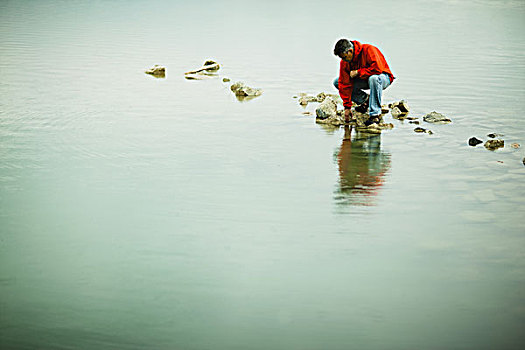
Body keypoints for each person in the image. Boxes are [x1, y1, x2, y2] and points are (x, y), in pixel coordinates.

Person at [333, 39, 395, 124]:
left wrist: (359, 72)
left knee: (373, 79)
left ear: (350, 51)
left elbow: (377, 69)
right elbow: (344, 84)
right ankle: (366, 101)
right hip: (365, 78)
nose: (343, 60)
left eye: (344, 57)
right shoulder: (344, 62)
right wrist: (347, 107)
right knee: (337, 82)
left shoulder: (369, 50)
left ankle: (375, 115)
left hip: (383, 77)